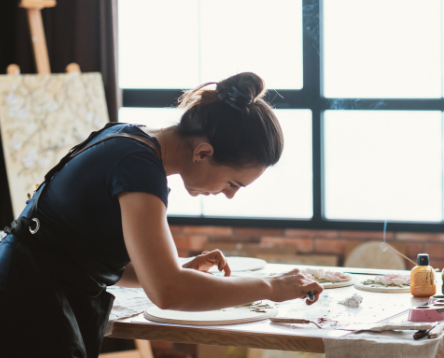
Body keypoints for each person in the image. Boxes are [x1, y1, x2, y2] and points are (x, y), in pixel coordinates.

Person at [0, 72, 323, 358]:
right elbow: (168, 293)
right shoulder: (138, 166)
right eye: (232, 183)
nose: (229, 194)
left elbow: (82, 255)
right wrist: (269, 287)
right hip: (27, 303)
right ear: (203, 152)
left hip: (31, 287)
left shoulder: (131, 139)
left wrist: (173, 270)